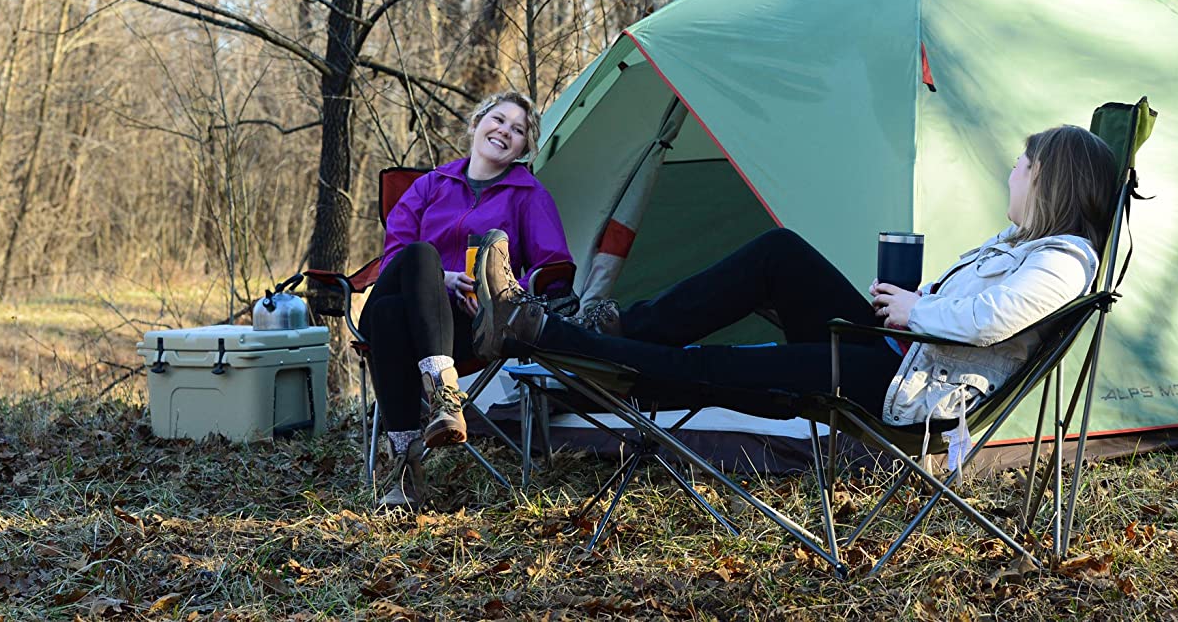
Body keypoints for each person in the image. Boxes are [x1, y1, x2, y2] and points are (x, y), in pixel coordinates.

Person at [470, 124, 1118, 431]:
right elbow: (980, 309)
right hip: (899, 354)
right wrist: (918, 302)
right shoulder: (1027, 244)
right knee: (780, 254)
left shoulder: (1064, 260)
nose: (1010, 173)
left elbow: (996, 319)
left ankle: (543, 336)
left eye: (1020, 165)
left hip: (899, 386)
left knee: (723, 368)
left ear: (1047, 181)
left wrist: (916, 313)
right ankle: (605, 332)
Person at [362, 91, 572, 507]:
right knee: (419, 256)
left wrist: (500, 289)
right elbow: (393, 257)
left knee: (388, 318)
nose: (505, 131)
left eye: (518, 130)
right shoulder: (430, 185)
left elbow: (553, 268)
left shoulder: (527, 195)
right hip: (410, 299)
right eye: (498, 120)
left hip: (468, 325)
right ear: (476, 123)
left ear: (524, 148)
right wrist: (441, 279)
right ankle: (443, 394)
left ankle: (406, 468)